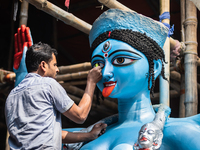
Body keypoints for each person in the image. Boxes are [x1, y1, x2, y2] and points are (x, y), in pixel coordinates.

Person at [78, 9, 200, 150]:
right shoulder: (83, 136)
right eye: (98, 64)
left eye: (120, 59)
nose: (105, 73)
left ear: (155, 66)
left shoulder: (180, 132)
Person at [5, 25, 107, 150]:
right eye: (54, 64)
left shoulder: (11, 96)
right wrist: (91, 82)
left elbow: (54, 134)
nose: (57, 69)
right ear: (43, 65)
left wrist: (89, 135)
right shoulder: (48, 84)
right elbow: (80, 116)